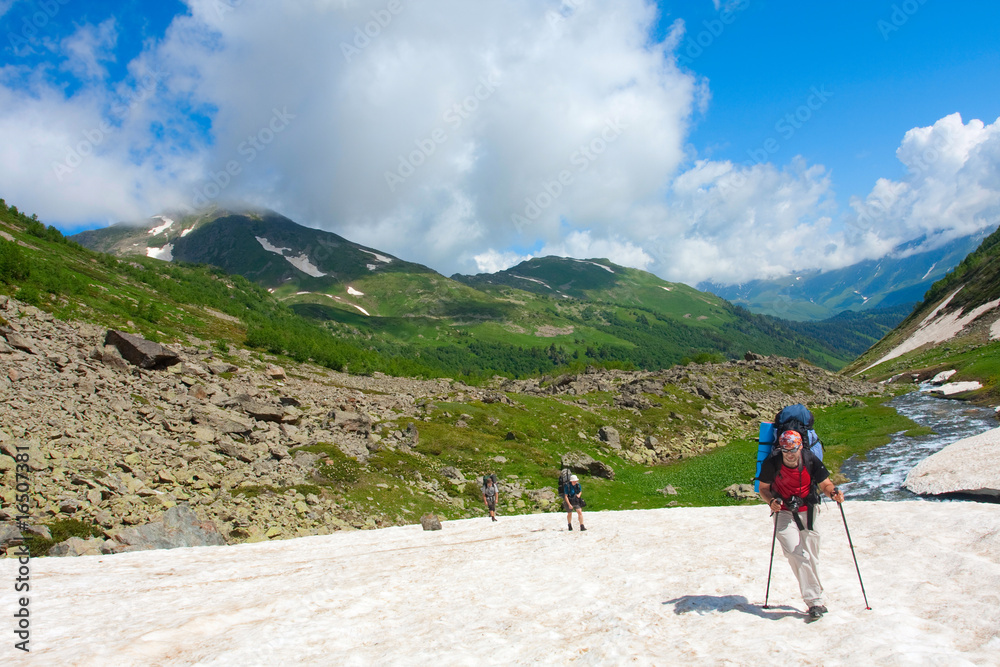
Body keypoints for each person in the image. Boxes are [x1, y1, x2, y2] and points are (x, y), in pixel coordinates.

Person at [758, 430, 844, 620]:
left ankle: (815, 593)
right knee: (794, 552)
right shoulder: (772, 462)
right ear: (780, 448)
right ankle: (814, 601)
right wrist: (771, 501)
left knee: (812, 556)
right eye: (785, 449)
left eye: (794, 449)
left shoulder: (810, 459)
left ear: (800, 447)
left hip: (809, 508)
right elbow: (763, 489)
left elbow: (826, 484)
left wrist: (833, 493)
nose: (790, 453)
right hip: (783, 510)